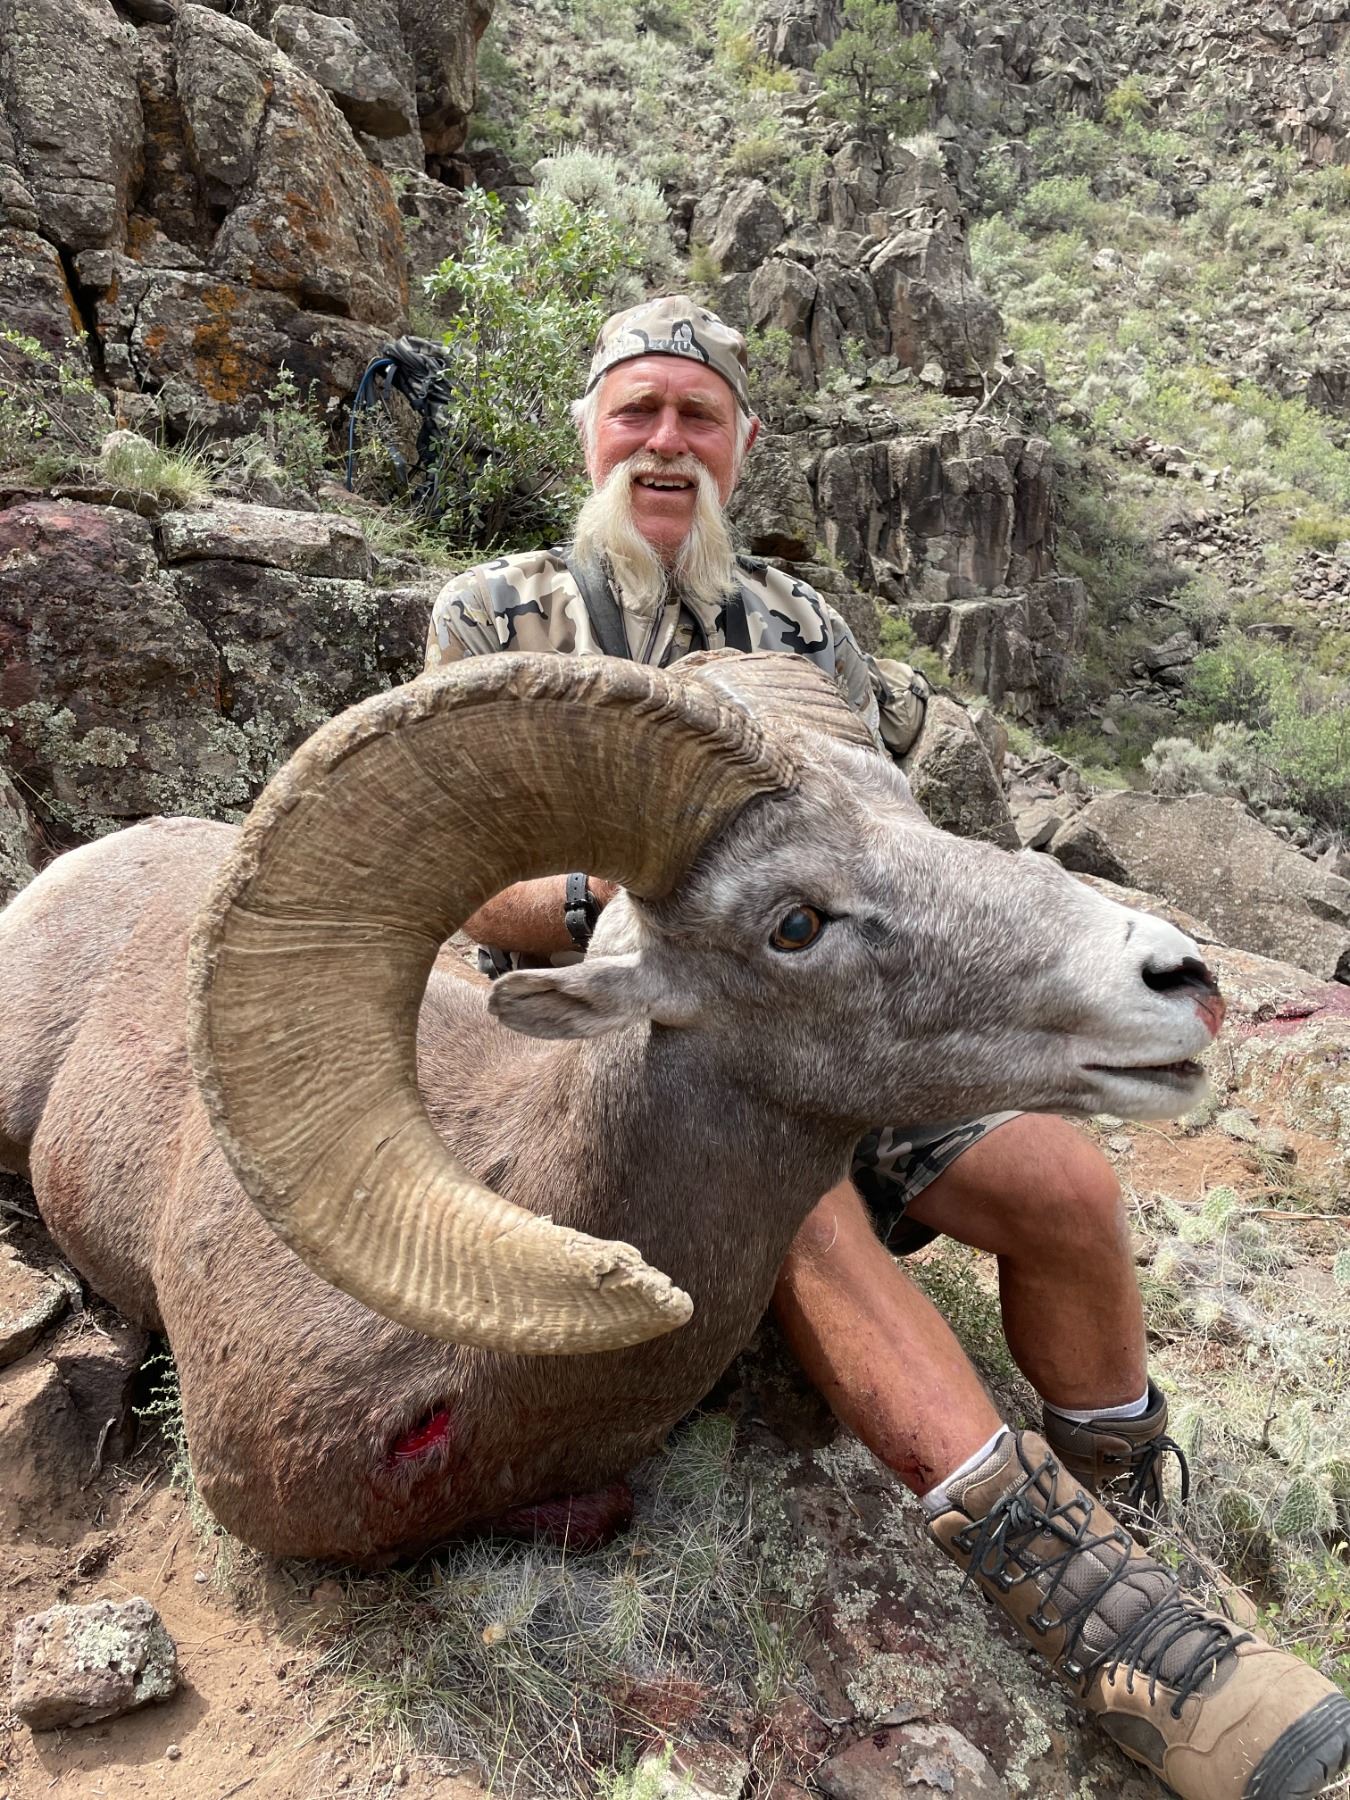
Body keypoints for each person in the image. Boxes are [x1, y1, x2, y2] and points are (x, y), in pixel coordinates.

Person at [422, 296, 1350, 1800]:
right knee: (795, 1197)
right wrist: (648, 908)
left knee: (1064, 1187)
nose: (666, 442)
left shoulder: (798, 633)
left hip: (854, 1018)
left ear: (742, 443)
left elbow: (889, 853)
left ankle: (1117, 1498)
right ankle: (1084, 1607)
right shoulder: (496, 623)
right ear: (588, 429)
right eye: (637, 409)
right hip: (637, 1075)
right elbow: (466, 876)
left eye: (698, 416)